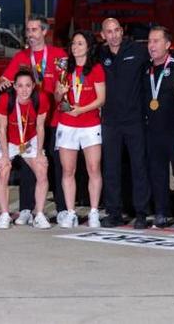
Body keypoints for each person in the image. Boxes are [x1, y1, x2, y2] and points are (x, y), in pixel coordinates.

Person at [0, 15, 67, 225]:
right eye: (28, 30)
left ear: (44, 32)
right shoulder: (20, 57)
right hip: (26, 123)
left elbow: (65, 82)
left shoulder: (58, 54)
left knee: (55, 164)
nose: (30, 34)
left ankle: (62, 209)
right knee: (28, 167)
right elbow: (5, 79)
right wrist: (2, 83)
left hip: (54, 119)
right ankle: (27, 208)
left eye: (34, 30)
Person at [99, 17, 151, 228]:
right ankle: (113, 213)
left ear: (122, 31)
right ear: (103, 35)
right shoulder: (99, 54)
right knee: (111, 169)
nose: (113, 35)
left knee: (139, 167)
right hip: (110, 121)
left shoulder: (138, 51)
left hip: (134, 120)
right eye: (108, 32)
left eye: (116, 30)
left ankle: (141, 213)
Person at [55, 31, 106, 228]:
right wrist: (59, 93)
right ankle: (70, 212)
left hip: (89, 124)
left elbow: (101, 99)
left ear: (89, 47)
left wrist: (81, 110)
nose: (75, 47)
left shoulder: (96, 69)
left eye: (80, 43)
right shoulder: (64, 68)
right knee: (68, 170)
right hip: (67, 124)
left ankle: (93, 212)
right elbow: (58, 100)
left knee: (93, 168)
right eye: (74, 43)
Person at [0, 69, 51, 229]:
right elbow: (2, 129)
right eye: (20, 86)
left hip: (30, 139)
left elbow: (40, 127)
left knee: (42, 170)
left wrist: (40, 153)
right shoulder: (6, 99)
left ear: (34, 86)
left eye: (28, 85)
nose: (24, 90)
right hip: (10, 140)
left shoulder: (41, 99)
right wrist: (5, 156)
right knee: (3, 171)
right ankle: (5, 215)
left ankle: (39, 214)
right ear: (14, 86)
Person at [142, 26, 174, 228]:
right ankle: (161, 212)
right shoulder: (146, 69)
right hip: (153, 130)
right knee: (157, 173)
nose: (152, 45)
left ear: (168, 44)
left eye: (156, 41)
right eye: (150, 41)